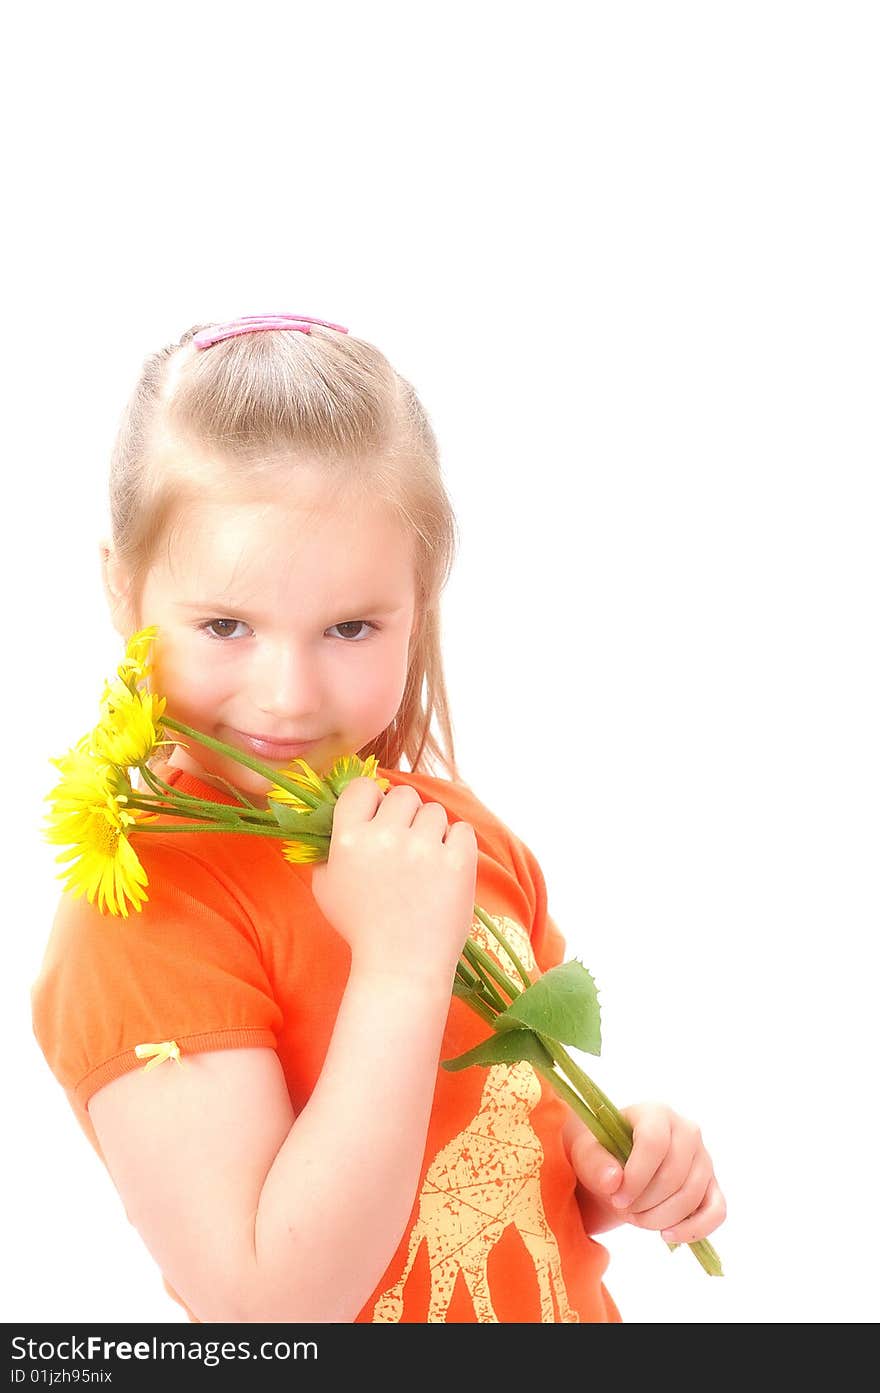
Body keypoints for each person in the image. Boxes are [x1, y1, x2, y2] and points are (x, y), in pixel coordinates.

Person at [31, 313, 726, 1324]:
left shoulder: (456, 841)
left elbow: (496, 1143)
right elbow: (274, 1308)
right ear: (123, 592)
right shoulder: (141, 917)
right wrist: (399, 966)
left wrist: (609, 1158)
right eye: (225, 625)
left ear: (421, 602)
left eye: (351, 626)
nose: (285, 695)